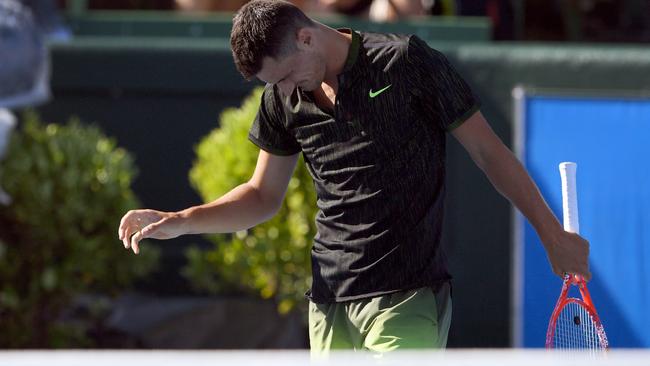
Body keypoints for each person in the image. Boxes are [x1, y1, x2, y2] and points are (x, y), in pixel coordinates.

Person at [118, 0, 590, 354]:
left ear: (305, 38)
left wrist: (551, 235)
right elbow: (263, 196)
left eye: (284, 77)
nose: (282, 92)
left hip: (407, 297)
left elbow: (490, 153)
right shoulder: (283, 99)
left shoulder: (407, 63)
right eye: (272, 86)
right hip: (328, 305)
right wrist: (181, 219)